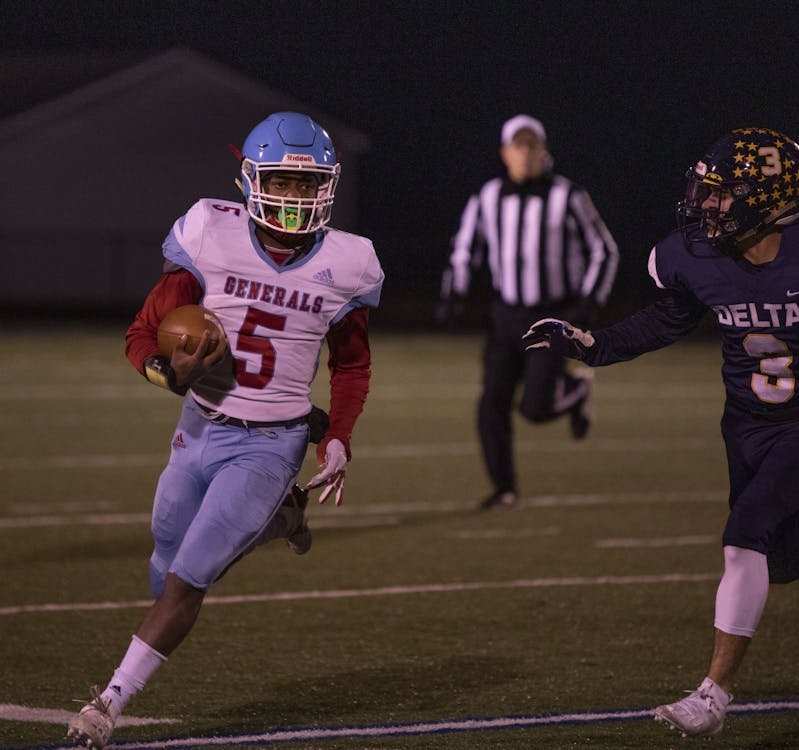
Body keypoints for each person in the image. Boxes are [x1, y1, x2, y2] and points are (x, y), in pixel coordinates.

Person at [524, 127, 799, 738]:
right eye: (705, 192)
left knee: (743, 537)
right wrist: (591, 345)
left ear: (771, 197)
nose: (707, 205)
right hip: (745, 421)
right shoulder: (696, 257)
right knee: (781, 556)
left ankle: (712, 697)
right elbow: (665, 321)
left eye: (724, 194)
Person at [67, 112, 384, 749]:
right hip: (199, 425)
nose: (294, 200)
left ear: (327, 186)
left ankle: (108, 703)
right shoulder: (212, 233)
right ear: (250, 178)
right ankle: (284, 521)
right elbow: (141, 335)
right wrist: (166, 374)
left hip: (272, 441)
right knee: (164, 561)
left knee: (190, 577)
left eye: (307, 185)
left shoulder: (350, 263)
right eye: (282, 183)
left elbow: (351, 363)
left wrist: (338, 435)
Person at [437, 114, 619, 510]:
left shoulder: (569, 196)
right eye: (517, 146)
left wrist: (588, 304)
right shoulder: (486, 197)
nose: (525, 154)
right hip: (506, 317)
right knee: (491, 404)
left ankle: (575, 390)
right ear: (505, 153)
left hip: (552, 317)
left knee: (534, 409)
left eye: (531, 146)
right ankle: (505, 488)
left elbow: (605, 251)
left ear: (544, 151)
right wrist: (454, 294)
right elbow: (465, 249)